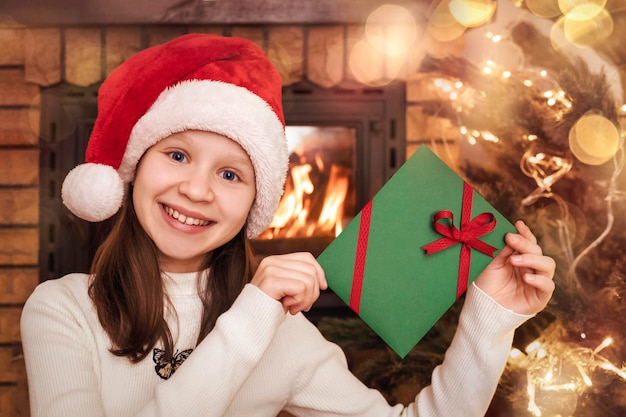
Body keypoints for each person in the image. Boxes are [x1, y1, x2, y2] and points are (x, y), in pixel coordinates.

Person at [21, 33, 556, 417]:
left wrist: (490, 318)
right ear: (134, 169)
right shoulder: (62, 309)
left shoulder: (282, 331)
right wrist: (251, 318)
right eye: (178, 155)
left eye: (230, 173)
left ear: (255, 203)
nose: (198, 190)